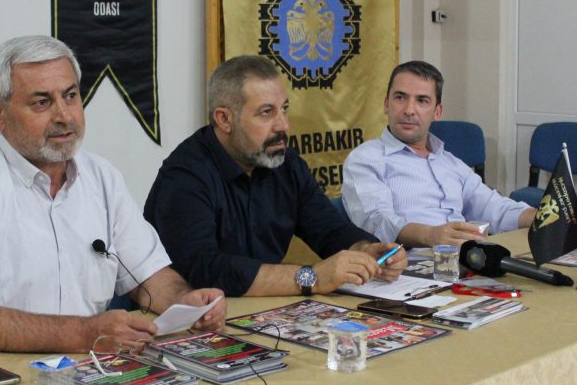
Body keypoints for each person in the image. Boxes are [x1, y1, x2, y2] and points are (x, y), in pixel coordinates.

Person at [0, 35, 226, 360]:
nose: (64, 116)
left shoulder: (101, 176)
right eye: (42, 102)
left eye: (71, 96)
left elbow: (149, 274)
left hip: (82, 367)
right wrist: (85, 333)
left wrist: (185, 302)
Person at [144, 55, 406, 297]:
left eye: (284, 109)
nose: (284, 125)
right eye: (266, 112)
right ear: (224, 119)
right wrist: (312, 278)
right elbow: (206, 269)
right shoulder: (185, 175)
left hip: (262, 310)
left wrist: (366, 250)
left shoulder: (286, 164)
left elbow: (329, 229)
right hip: (192, 314)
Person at [342, 60, 535, 248]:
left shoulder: (450, 162)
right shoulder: (366, 159)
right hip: (408, 263)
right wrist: (429, 235)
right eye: (400, 97)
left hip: (464, 259)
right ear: (386, 104)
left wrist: (542, 217)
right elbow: (376, 220)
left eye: (422, 101)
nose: (409, 110)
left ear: (437, 112)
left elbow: (494, 207)